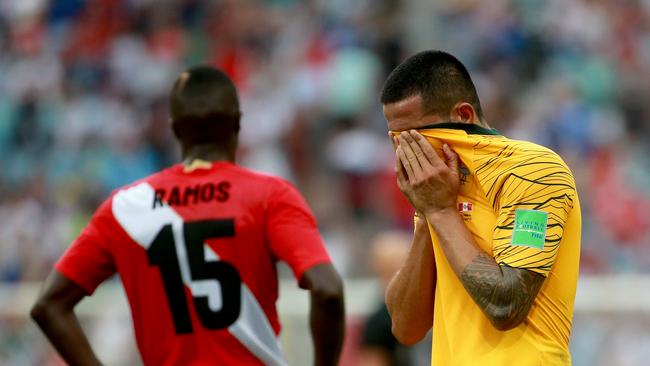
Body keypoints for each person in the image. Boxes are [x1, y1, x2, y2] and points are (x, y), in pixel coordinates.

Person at [31, 66, 345, 366]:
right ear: (237, 123)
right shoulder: (269, 196)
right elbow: (327, 289)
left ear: (175, 129)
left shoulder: (125, 207)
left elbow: (48, 306)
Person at [381, 50, 581, 365]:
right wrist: (429, 215)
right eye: (396, 138)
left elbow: (507, 305)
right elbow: (406, 328)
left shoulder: (534, 171)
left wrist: (441, 213)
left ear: (463, 116)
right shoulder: (438, 190)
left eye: (416, 137)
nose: (406, 151)